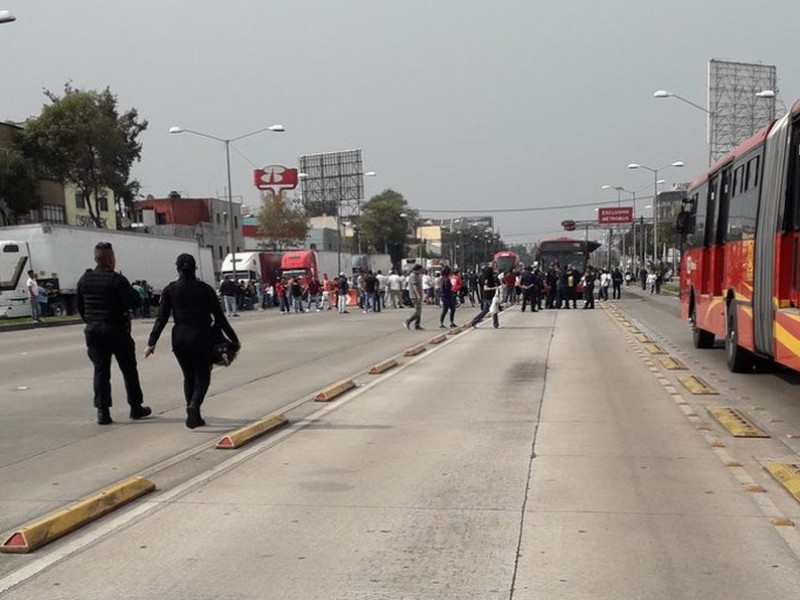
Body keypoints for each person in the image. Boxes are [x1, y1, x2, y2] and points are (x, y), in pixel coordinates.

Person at [145, 254, 240, 429]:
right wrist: (234, 339)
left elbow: (161, 318)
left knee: (188, 376)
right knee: (203, 375)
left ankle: (194, 415)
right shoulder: (205, 289)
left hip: (179, 337)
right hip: (201, 336)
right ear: (195, 268)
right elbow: (219, 317)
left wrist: (152, 342)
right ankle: (194, 406)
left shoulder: (170, 289)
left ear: (177, 268)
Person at [76, 242, 151, 425]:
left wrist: (92, 320)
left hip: (94, 331)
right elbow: (134, 302)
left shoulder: (84, 280)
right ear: (111, 259)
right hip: (117, 330)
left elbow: (80, 306)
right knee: (129, 370)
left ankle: (103, 412)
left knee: (101, 371)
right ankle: (135, 407)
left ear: (96, 259)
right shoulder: (116, 280)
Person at [403, 263, 424, 330]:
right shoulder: (413, 276)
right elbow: (414, 286)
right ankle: (408, 321)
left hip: (419, 295)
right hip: (415, 296)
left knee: (419, 310)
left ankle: (417, 325)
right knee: (418, 311)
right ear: (416, 270)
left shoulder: (418, 276)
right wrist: (417, 295)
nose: (421, 271)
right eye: (420, 270)